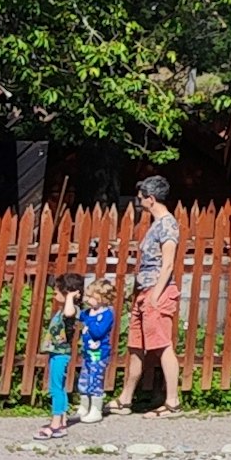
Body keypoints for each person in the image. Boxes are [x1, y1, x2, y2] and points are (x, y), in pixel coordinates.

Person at [124, 175, 182, 414]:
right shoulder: (155, 225)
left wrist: (156, 296)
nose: (139, 202)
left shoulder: (167, 224)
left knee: (162, 345)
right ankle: (125, 398)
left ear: (151, 198)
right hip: (144, 291)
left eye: (141, 198)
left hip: (157, 292)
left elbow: (167, 264)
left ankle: (172, 402)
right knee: (136, 345)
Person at [39, 273, 84, 440]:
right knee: (60, 388)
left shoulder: (71, 310)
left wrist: (71, 297)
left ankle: (55, 423)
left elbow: (70, 312)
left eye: (58, 291)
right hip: (56, 354)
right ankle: (63, 420)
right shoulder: (63, 311)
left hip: (60, 355)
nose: (54, 293)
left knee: (55, 389)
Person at [73, 276, 117, 424]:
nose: (87, 299)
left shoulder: (106, 314)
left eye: (91, 297)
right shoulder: (88, 312)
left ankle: (96, 410)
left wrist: (88, 322)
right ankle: (84, 406)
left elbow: (98, 332)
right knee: (84, 379)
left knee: (95, 380)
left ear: (102, 299)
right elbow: (78, 317)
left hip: (99, 355)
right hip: (87, 354)